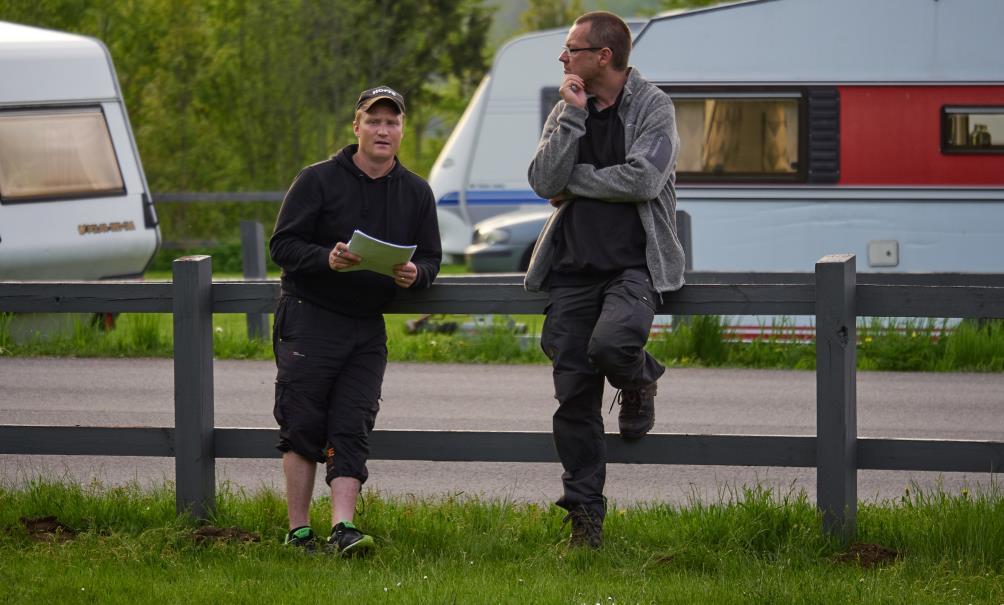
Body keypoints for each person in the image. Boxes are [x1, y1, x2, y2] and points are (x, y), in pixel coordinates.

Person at [524, 11, 685, 548]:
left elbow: (643, 178)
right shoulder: (568, 104)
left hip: (633, 267)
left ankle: (640, 378)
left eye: (572, 48)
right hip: (571, 273)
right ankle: (585, 518)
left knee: (615, 345)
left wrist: (576, 181)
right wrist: (570, 119)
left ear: (604, 57)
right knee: (573, 400)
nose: (563, 57)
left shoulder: (653, 106)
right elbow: (542, 180)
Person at [269, 85, 441, 555]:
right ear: (356, 126)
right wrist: (327, 257)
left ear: (402, 130)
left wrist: (415, 274)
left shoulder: (416, 192)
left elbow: (431, 259)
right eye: (374, 120)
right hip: (309, 316)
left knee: (353, 424)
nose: (383, 130)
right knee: (302, 422)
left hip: (367, 325)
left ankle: (343, 528)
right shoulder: (317, 180)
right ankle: (299, 532)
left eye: (392, 122)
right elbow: (281, 246)